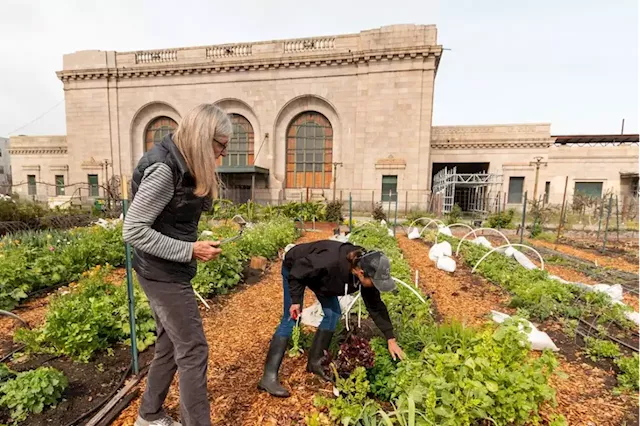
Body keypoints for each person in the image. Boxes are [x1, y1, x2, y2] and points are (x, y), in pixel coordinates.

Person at [123, 104, 233, 426]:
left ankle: (149, 415)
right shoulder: (164, 169)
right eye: (221, 146)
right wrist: (190, 250)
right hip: (162, 274)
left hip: (163, 269)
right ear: (204, 138)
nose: (222, 155)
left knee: (170, 346)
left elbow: (175, 214)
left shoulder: (183, 163)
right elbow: (133, 229)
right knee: (193, 350)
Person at [258, 240, 405, 397]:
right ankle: (268, 378)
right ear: (361, 273)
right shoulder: (329, 262)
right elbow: (297, 272)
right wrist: (295, 301)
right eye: (375, 282)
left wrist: (391, 338)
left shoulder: (366, 269)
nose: (376, 285)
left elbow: (375, 306)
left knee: (333, 313)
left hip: (320, 278)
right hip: (296, 268)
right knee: (292, 318)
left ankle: (315, 363)